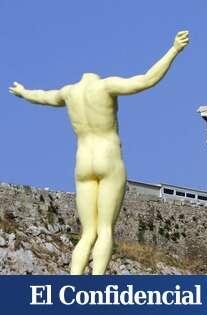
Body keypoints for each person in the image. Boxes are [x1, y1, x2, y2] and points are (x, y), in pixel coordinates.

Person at [8, 30, 190, 275]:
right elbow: (146, 80)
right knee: (105, 229)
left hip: (83, 162)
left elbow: (42, 97)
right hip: (108, 158)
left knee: (87, 233)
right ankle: (96, 283)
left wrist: (23, 92)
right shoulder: (105, 86)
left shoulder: (69, 92)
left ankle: (74, 282)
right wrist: (174, 50)